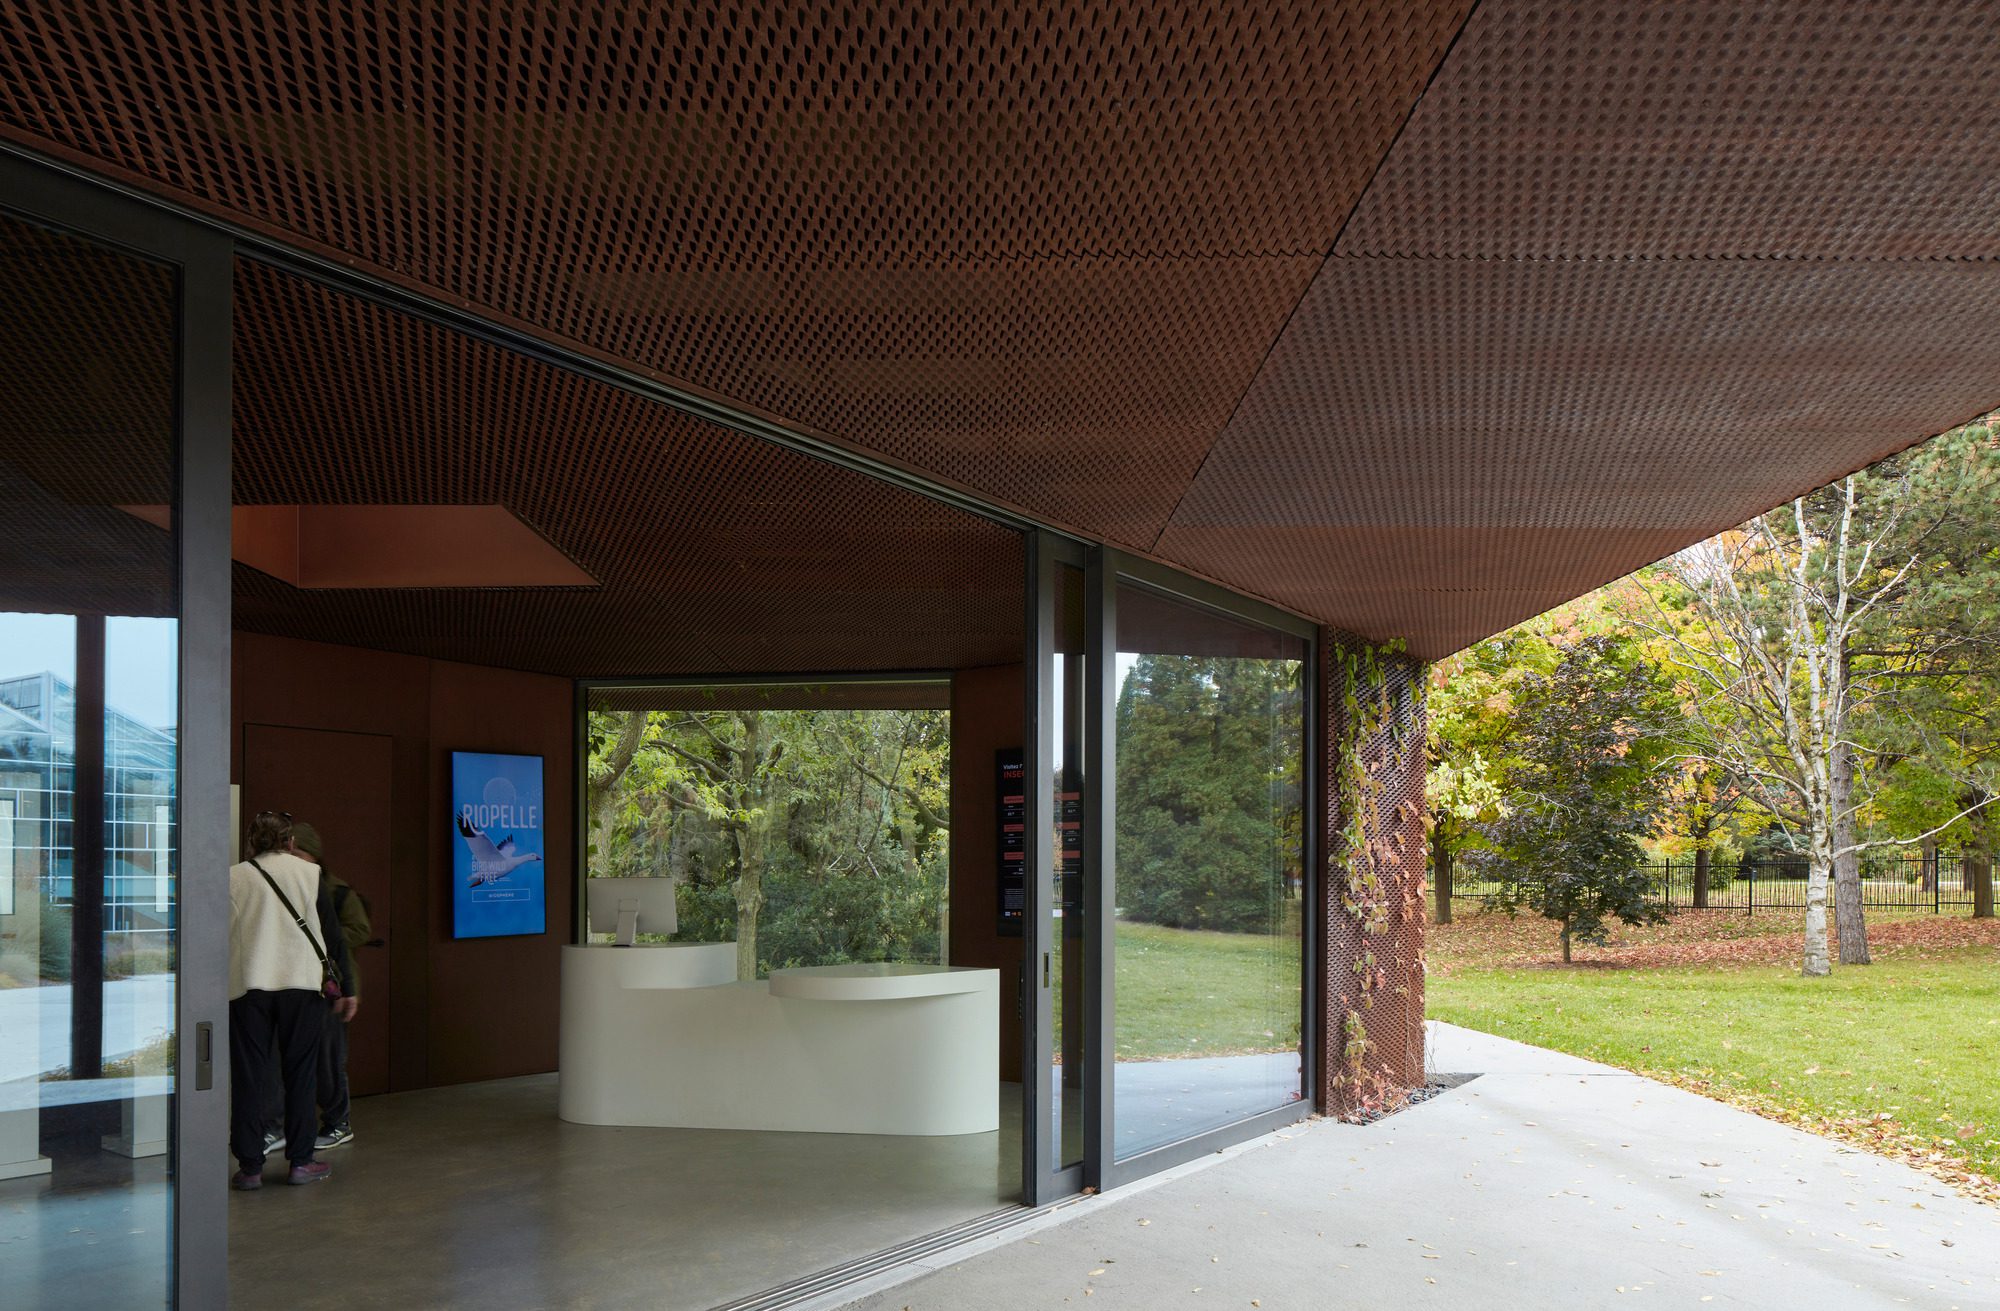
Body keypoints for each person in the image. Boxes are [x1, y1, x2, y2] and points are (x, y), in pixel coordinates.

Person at [229, 810, 355, 1189]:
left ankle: (250, 1167)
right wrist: (347, 986)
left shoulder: (234, 877)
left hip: (249, 987)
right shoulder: (308, 874)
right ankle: (300, 1163)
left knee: (249, 1077)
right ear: (290, 842)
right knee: (300, 1074)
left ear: (251, 841)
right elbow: (333, 936)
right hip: (301, 987)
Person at [289, 821, 368, 1149]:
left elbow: (360, 930)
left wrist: (321, 940)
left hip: (331, 985)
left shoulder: (337, 891)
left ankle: (338, 1122)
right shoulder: (287, 886)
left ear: (313, 857)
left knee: (328, 1059)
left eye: (297, 855)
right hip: (295, 981)